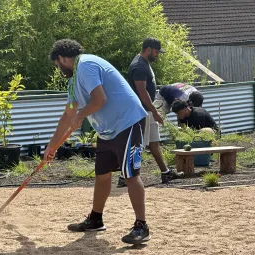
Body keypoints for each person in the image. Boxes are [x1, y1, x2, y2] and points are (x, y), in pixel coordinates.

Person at [44, 39, 150, 245]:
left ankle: (141, 226)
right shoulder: (73, 81)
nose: (58, 69)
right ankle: (96, 219)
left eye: (57, 65)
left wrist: (81, 114)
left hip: (128, 121)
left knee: (130, 175)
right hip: (107, 130)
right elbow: (68, 115)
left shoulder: (85, 65)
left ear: (62, 58)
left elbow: (99, 99)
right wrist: (52, 146)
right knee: (102, 176)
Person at [117, 37, 182, 188]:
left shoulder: (144, 63)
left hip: (148, 108)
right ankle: (124, 176)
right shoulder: (139, 66)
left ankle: (165, 173)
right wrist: (155, 112)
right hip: (140, 110)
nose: (158, 55)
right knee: (136, 145)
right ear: (148, 50)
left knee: (154, 143)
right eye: (157, 52)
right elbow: (142, 91)